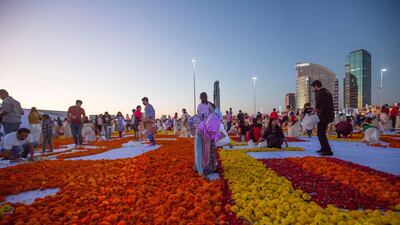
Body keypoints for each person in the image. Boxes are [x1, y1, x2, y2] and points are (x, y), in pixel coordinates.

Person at [311, 80, 334, 156]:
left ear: (316, 86)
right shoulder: (327, 91)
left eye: (313, 87)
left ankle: (327, 151)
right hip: (328, 115)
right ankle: (324, 148)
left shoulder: (319, 93)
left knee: (320, 133)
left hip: (323, 116)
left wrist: (313, 111)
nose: (313, 89)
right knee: (322, 133)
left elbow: (318, 106)